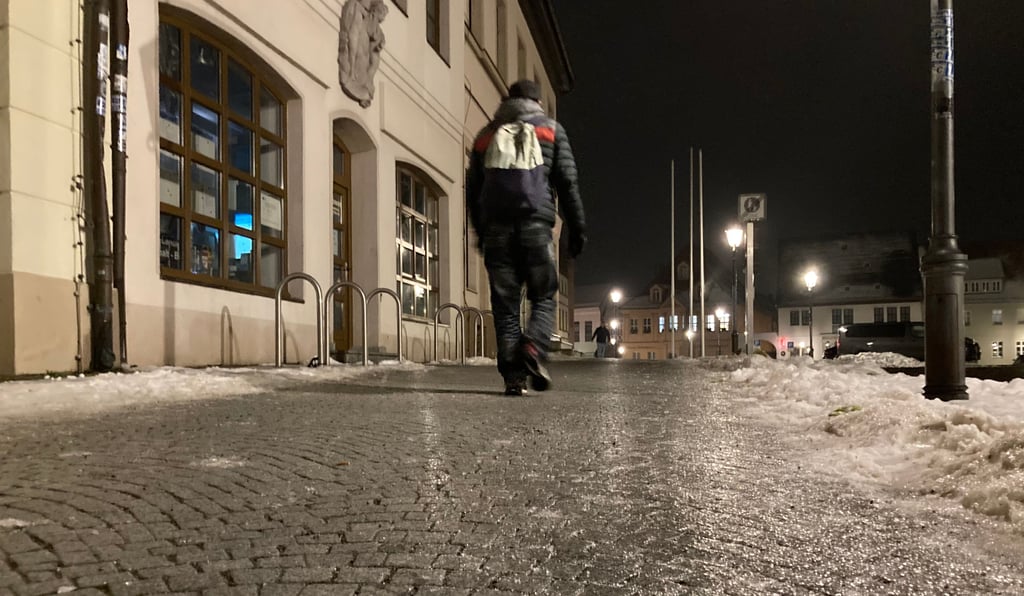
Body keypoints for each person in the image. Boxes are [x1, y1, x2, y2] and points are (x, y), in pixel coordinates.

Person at [466, 80, 587, 396]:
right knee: (544, 296)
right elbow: (568, 184)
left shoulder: (486, 135)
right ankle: (533, 348)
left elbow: (473, 191)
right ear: (536, 102)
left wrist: (481, 232)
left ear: (507, 101)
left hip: (497, 234)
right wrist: (578, 228)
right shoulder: (550, 130)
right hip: (535, 229)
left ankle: (513, 378)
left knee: (505, 307)